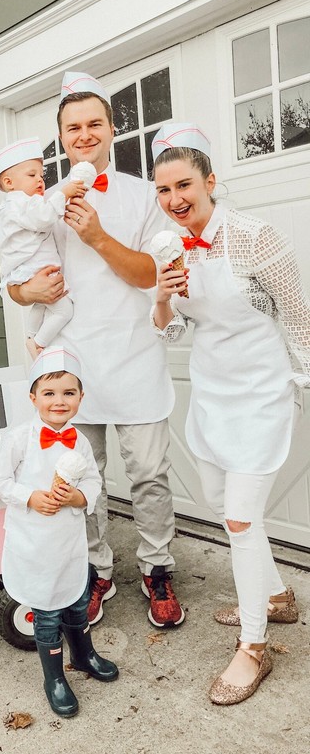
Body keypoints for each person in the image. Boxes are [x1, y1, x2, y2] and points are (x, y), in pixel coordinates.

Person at [7, 72, 185, 629]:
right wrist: (24, 292)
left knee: (151, 475)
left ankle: (157, 569)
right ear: (61, 138)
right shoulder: (41, 200)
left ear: (113, 128)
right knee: (78, 476)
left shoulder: (140, 195)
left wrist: (97, 237)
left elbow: (151, 275)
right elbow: (15, 275)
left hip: (134, 358)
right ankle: (94, 571)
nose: (84, 135)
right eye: (72, 127)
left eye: (94, 124)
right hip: (70, 366)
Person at [150, 122, 309, 705]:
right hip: (213, 394)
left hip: (262, 394)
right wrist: (163, 293)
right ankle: (274, 597)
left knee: (241, 520)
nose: (174, 200)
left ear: (210, 181)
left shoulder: (254, 236)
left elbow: (297, 314)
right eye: (163, 191)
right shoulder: (167, 248)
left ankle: (253, 646)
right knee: (223, 509)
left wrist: (305, 381)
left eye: (184, 185)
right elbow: (172, 332)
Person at [0, 346, 118, 717]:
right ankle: (54, 677)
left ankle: (85, 654)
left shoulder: (82, 441)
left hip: (69, 542)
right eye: (49, 393)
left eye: (68, 393)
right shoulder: (16, 439)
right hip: (34, 543)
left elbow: (93, 482)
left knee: (77, 602)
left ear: (80, 397)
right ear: (33, 397)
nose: (59, 401)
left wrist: (78, 496)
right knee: (46, 612)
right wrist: (30, 497)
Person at [0, 137, 87, 359]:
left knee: (43, 305)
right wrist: (64, 193)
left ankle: (31, 336)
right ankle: (38, 344)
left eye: (41, 175)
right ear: (8, 183)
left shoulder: (16, 204)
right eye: (32, 175)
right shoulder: (22, 203)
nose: (40, 180)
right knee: (64, 310)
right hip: (36, 266)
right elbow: (43, 218)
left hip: (30, 267)